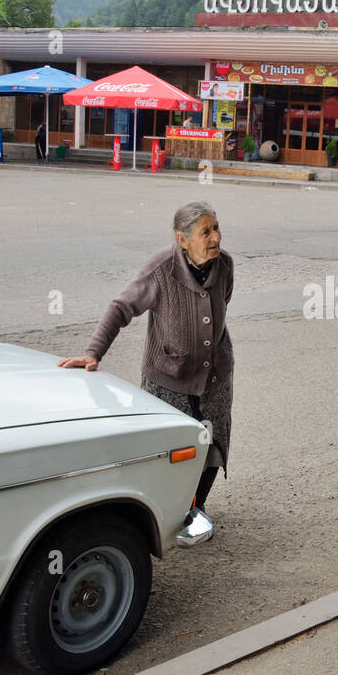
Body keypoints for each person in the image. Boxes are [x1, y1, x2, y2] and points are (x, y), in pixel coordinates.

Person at [58, 202, 232, 540]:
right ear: (183, 240)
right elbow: (121, 308)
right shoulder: (162, 269)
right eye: (206, 232)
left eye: (216, 228)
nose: (216, 237)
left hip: (215, 377)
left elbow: (222, 302)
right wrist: (93, 353)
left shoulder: (225, 265)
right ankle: (167, 512)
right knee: (169, 451)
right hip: (168, 378)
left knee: (212, 444)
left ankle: (197, 507)